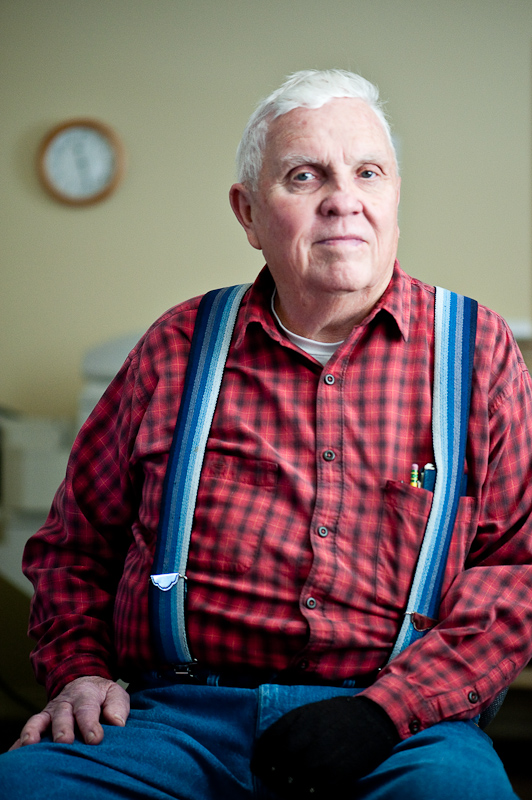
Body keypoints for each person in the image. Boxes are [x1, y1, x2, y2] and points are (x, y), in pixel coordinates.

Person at [0, 69, 529, 800]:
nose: (343, 200)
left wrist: (385, 712)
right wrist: (80, 673)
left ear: (394, 197)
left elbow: (517, 569)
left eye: (368, 173)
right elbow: (74, 547)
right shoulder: (176, 348)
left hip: (399, 728)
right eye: (305, 176)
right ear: (248, 213)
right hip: (173, 719)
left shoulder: (478, 353)